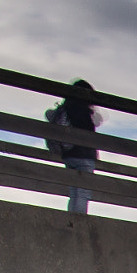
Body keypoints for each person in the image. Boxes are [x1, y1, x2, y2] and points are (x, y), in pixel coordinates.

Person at [48, 81, 104, 215]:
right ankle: (79, 221)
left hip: (68, 155)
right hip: (85, 156)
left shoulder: (65, 109)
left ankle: (72, 219)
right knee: (83, 193)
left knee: (74, 192)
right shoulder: (85, 112)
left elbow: (50, 115)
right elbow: (98, 121)